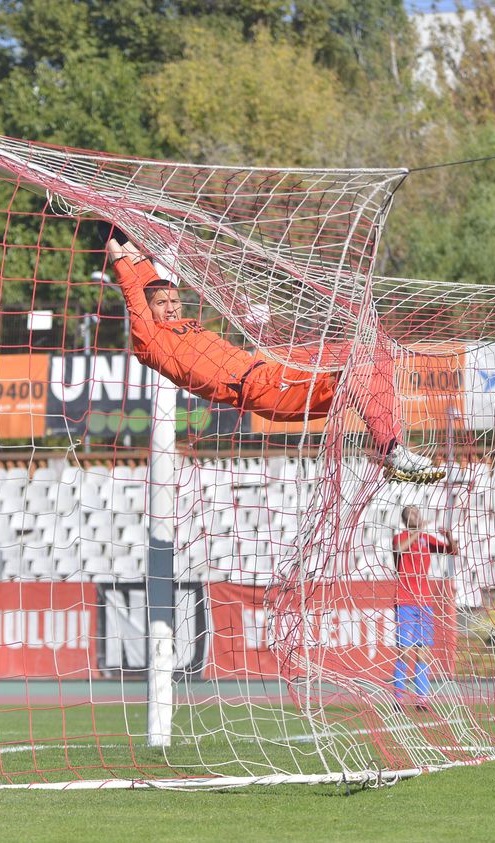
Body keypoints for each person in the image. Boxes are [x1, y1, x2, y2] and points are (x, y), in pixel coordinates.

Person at [104, 232, 442, 483]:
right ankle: (392, 451)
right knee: (361, 362)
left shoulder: (180, 322)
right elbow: (133, 286)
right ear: (149, 312)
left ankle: (392, 447)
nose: (171, 306)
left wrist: (139, 255)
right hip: (262, 389)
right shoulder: (150, 340)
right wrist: (112, 226)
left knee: (372, 355)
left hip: (272, 370)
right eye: (161, 304)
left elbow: (144, 275)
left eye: (174, 300)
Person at [392, 505, 456, 707]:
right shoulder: (400, 537)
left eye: (417, 512)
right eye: (411, 513)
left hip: (424, 602)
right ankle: (398, 698)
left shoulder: (426, 539)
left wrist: (449, 536)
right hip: (404, 601)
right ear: (405, 519)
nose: (416, 514)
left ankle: (422, 699)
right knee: (405, 650)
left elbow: (452, 551)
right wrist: (419, 531)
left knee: (423, 652)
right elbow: (399, 550)